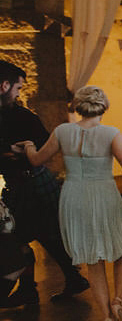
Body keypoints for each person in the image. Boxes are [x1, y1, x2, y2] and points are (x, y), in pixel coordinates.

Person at [17, 86, 122, 321]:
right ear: (103, 106)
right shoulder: (110, 133)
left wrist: (30, 146)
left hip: (74, 196)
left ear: (78, 106)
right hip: (104, 194)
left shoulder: (63, 131)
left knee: (93, 259)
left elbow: (36, 160)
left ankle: (108, 318)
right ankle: (118, 300)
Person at [0, 60, 89, 306]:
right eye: (18, 88)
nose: (19, 94)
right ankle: (63, 280)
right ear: (4, 86)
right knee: (32, 236)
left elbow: (45, 146)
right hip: (19, 184)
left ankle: (39, 286)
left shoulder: (24, 116)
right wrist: (9, 151)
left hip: (34, 182)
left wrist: (21, 152)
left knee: (35, 235)